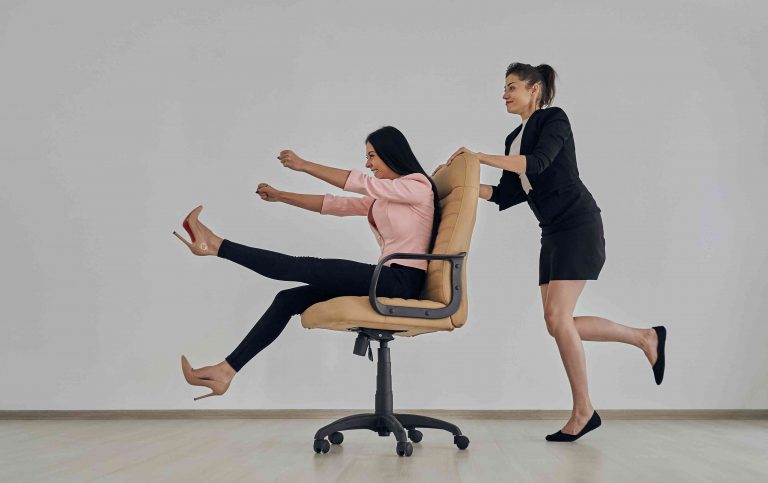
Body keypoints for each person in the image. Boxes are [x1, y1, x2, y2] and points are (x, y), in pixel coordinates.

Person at [434, 62, 667, 442]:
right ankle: (645, 337)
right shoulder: (514, 137)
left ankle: (584, 411)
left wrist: (478, 157)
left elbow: (538, 164)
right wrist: (459, 181)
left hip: (578, 224)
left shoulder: (553, 119)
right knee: (556, 322)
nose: (505, 94)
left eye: (512, 87)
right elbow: (506, 194)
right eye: (503, 88)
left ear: (535, 90)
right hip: (553, 232)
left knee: (559, 318)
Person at [173, 126, 440, 400]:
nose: (367, 163)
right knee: (288, 299)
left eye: (372, 156)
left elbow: (360, 182)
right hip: (387, 278)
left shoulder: (417, 185)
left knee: (305, 266)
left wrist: (304, 165)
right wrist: (281, 196)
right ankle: (225, 372)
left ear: (390, 153)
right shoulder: (387, 197)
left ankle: (216, 245)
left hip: (402, 281)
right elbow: (336, 205)